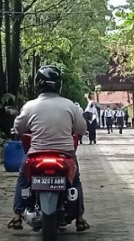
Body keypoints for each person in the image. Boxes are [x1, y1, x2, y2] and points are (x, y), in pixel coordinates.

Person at [7, 65, 89, 232]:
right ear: (58, 84)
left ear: (38, 84)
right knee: (75, 181)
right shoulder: (69, 105)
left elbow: (19, 127)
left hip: (36, 153)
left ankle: (17, 217)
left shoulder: (30, 106)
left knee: (23, 180)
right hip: (65, 154)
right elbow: (82, 128)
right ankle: (79, 218)